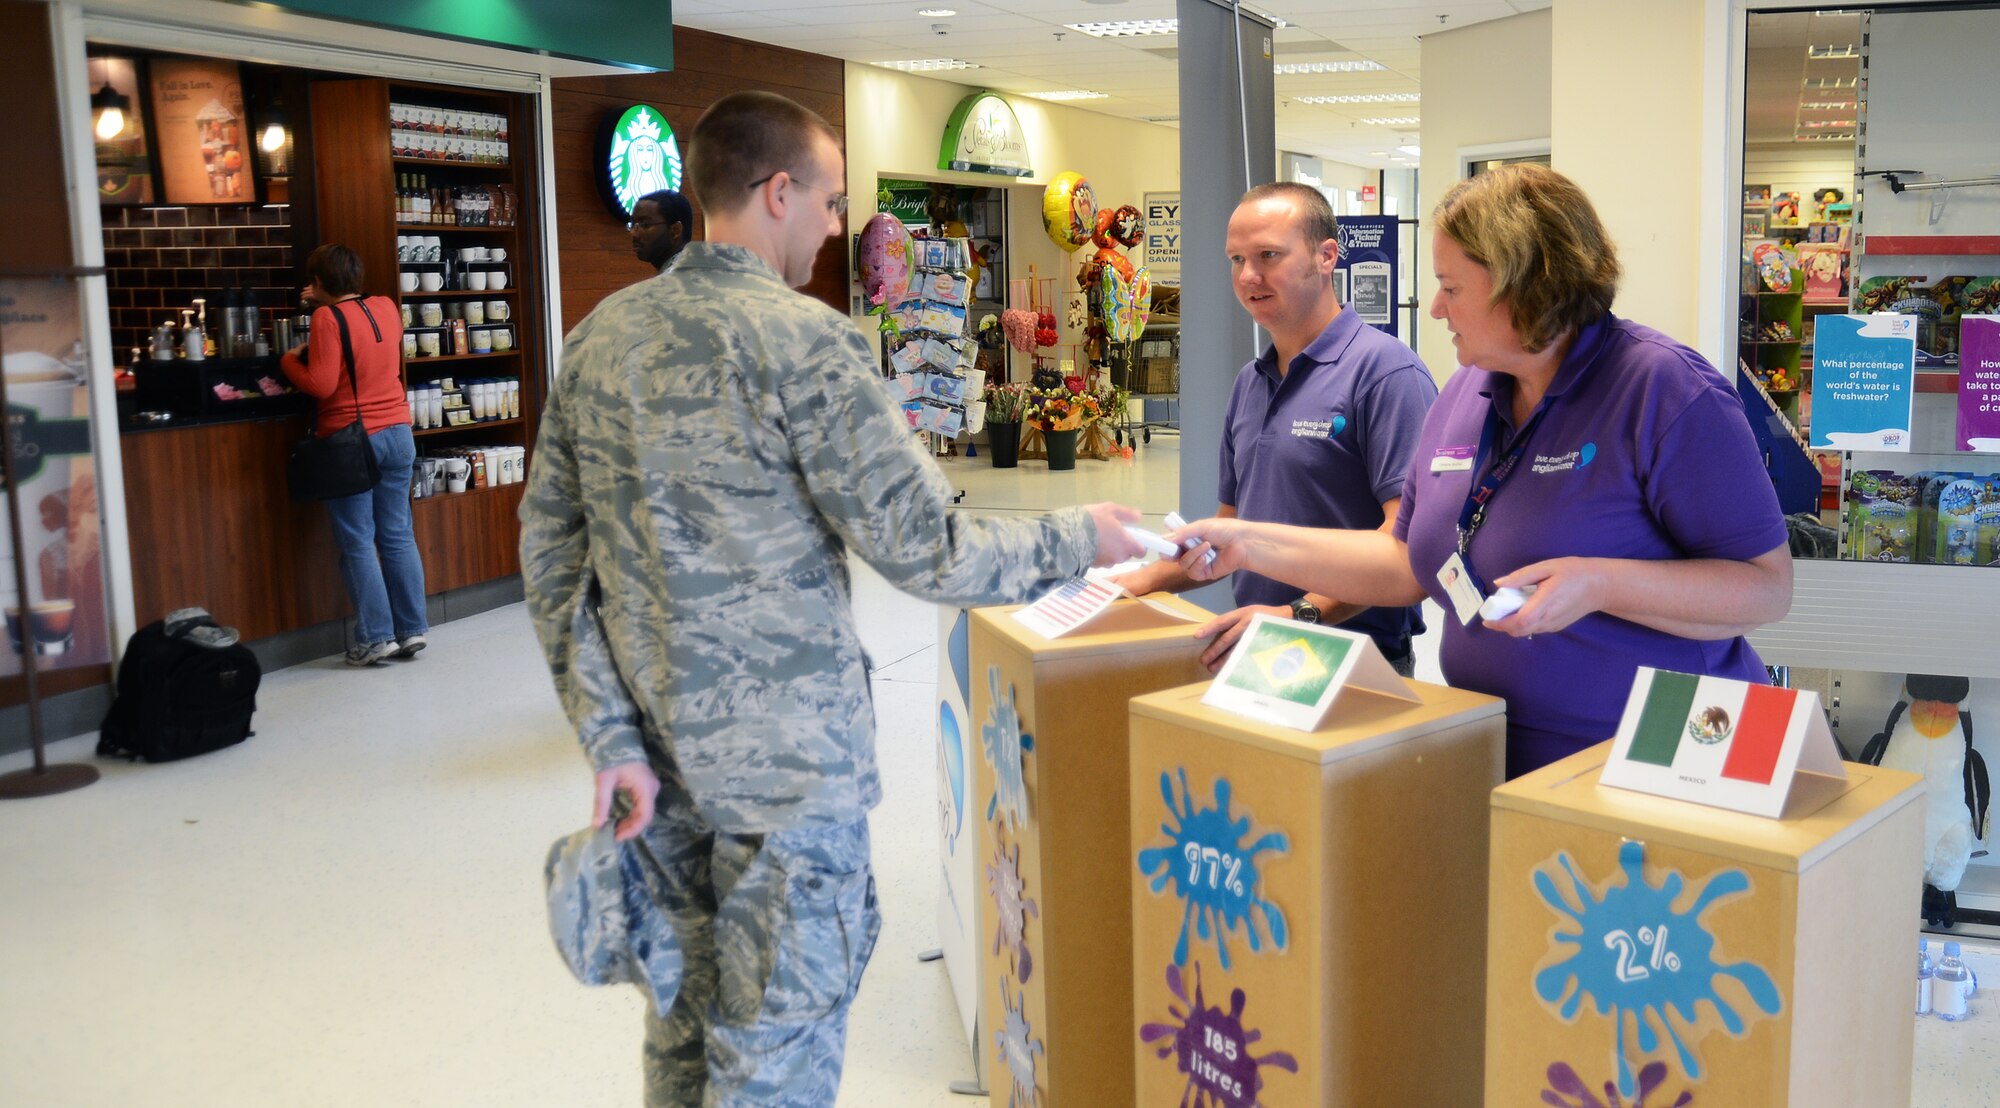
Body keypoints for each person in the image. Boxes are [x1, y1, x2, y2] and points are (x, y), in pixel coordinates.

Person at [518, 90, 1143, 1107]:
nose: (835, 227)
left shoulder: (598, 339)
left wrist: (609, 735)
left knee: (681, 1030)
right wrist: (1083, 536)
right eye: (831, 200)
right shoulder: (806, 343)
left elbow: (550, 555)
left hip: (656, 765)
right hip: (792, 773)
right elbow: (929, 550)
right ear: (778, 192)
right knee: (778, 1046)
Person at [1168, 164, 1792, 779]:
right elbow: (1404, 561)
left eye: (1452, 287)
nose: (1437, 308)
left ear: (1529, 284)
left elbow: (1765, 588)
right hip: (1489, 747)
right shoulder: (1466, 393)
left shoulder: (1663, 389)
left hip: (1648, 757)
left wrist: (1600, 584)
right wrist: (1249, 543)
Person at [1114, 182, 1436, 676]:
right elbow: (1231, 528)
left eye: (1268, 255)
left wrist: (1297, 615)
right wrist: (1137, 582)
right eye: (1236, 259)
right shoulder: (1251, 382)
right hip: (1259, 649)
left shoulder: (1387, 374)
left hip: (1357, 661)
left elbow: (1405, 544)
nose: (1249, 276)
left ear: (1326, 256)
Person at [279, 243, 428, 666]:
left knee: (359, 541)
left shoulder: (327, 318)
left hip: (352, 441)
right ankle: (412, 629)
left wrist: (289, 361)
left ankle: (376, 639)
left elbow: (322, 384)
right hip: (399, 432)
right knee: (397, 534)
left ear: (318, 281)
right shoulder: (386, 307)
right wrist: (321, 303)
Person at [631, 189, 693, 272]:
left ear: (675, 230)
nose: (634, 234)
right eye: (633, 224)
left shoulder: (681, 277)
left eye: (645, 224)